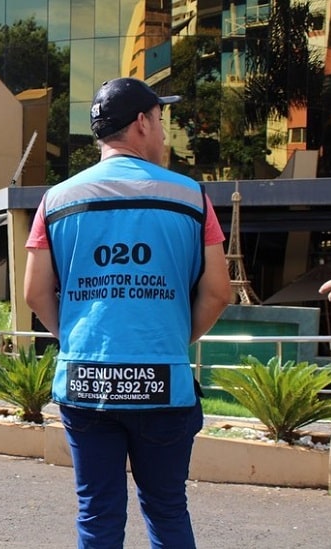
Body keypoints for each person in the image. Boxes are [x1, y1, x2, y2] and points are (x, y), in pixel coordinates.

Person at [23, 77, 231, 548]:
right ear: (141, 123)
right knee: (167, 509)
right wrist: (176, 339)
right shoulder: (192, 197)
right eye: (160, 121)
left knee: (97, 513)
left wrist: (73, 338)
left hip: (85, 381)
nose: (161, 132)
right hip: (164, 382)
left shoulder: (55, 200)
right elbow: (218, 292)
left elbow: (35, 293)